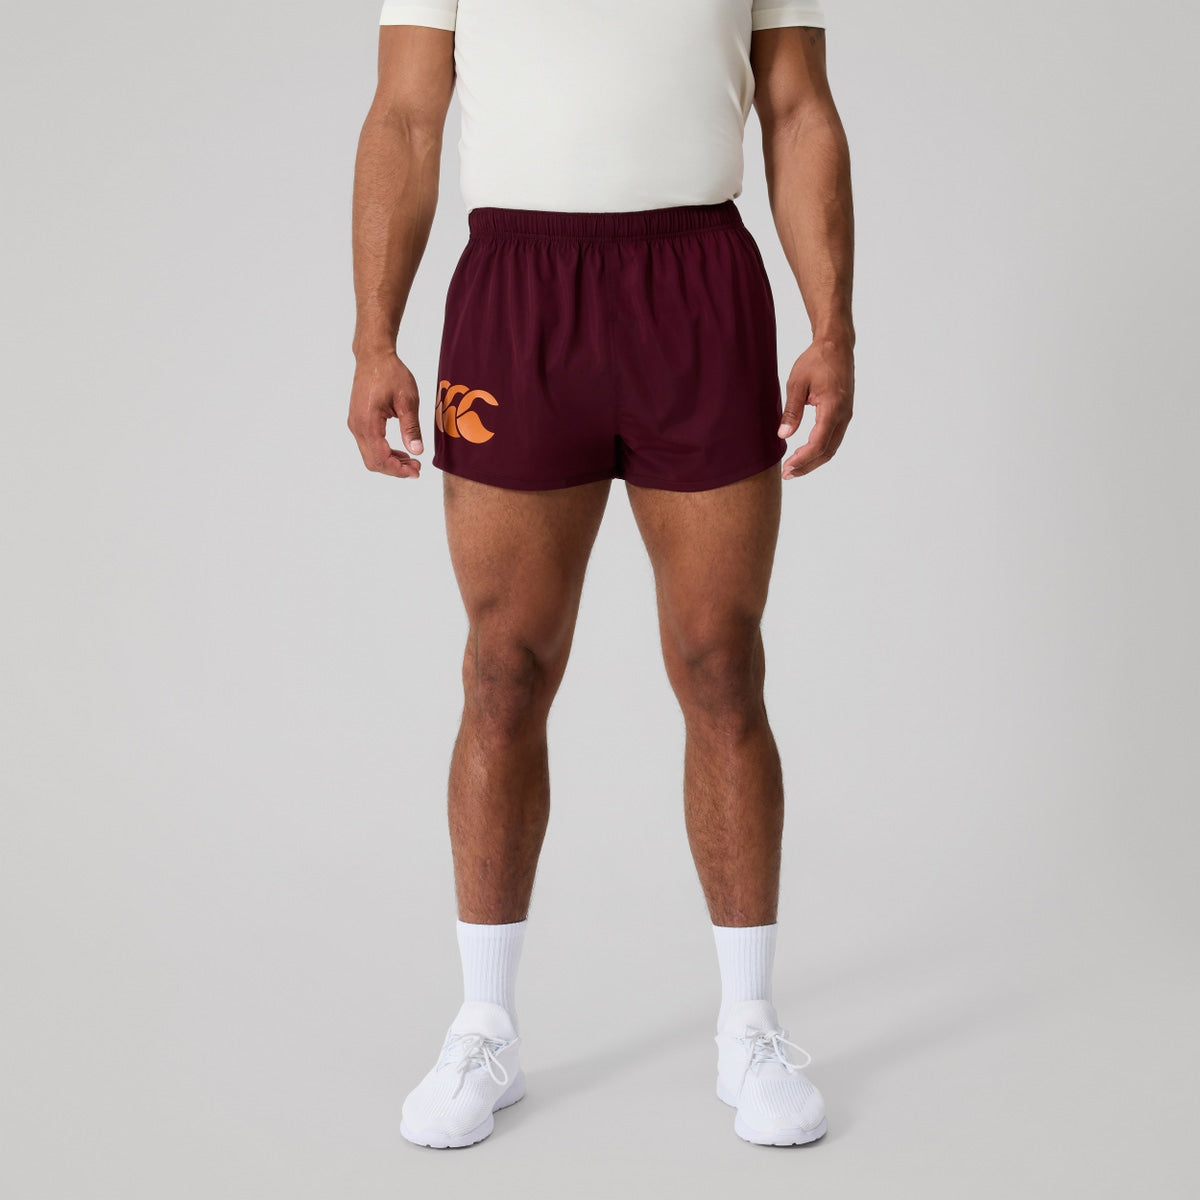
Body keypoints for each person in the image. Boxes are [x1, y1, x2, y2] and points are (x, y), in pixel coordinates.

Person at [347, 0, 855, 1150]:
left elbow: (796, 107)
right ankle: (485, 1025)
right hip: (517, 292)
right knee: (502, 669)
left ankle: (749, 1027)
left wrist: (834, 327)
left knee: (721, 662)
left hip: (697, 285)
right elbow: (407, 117)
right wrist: (375, 337)